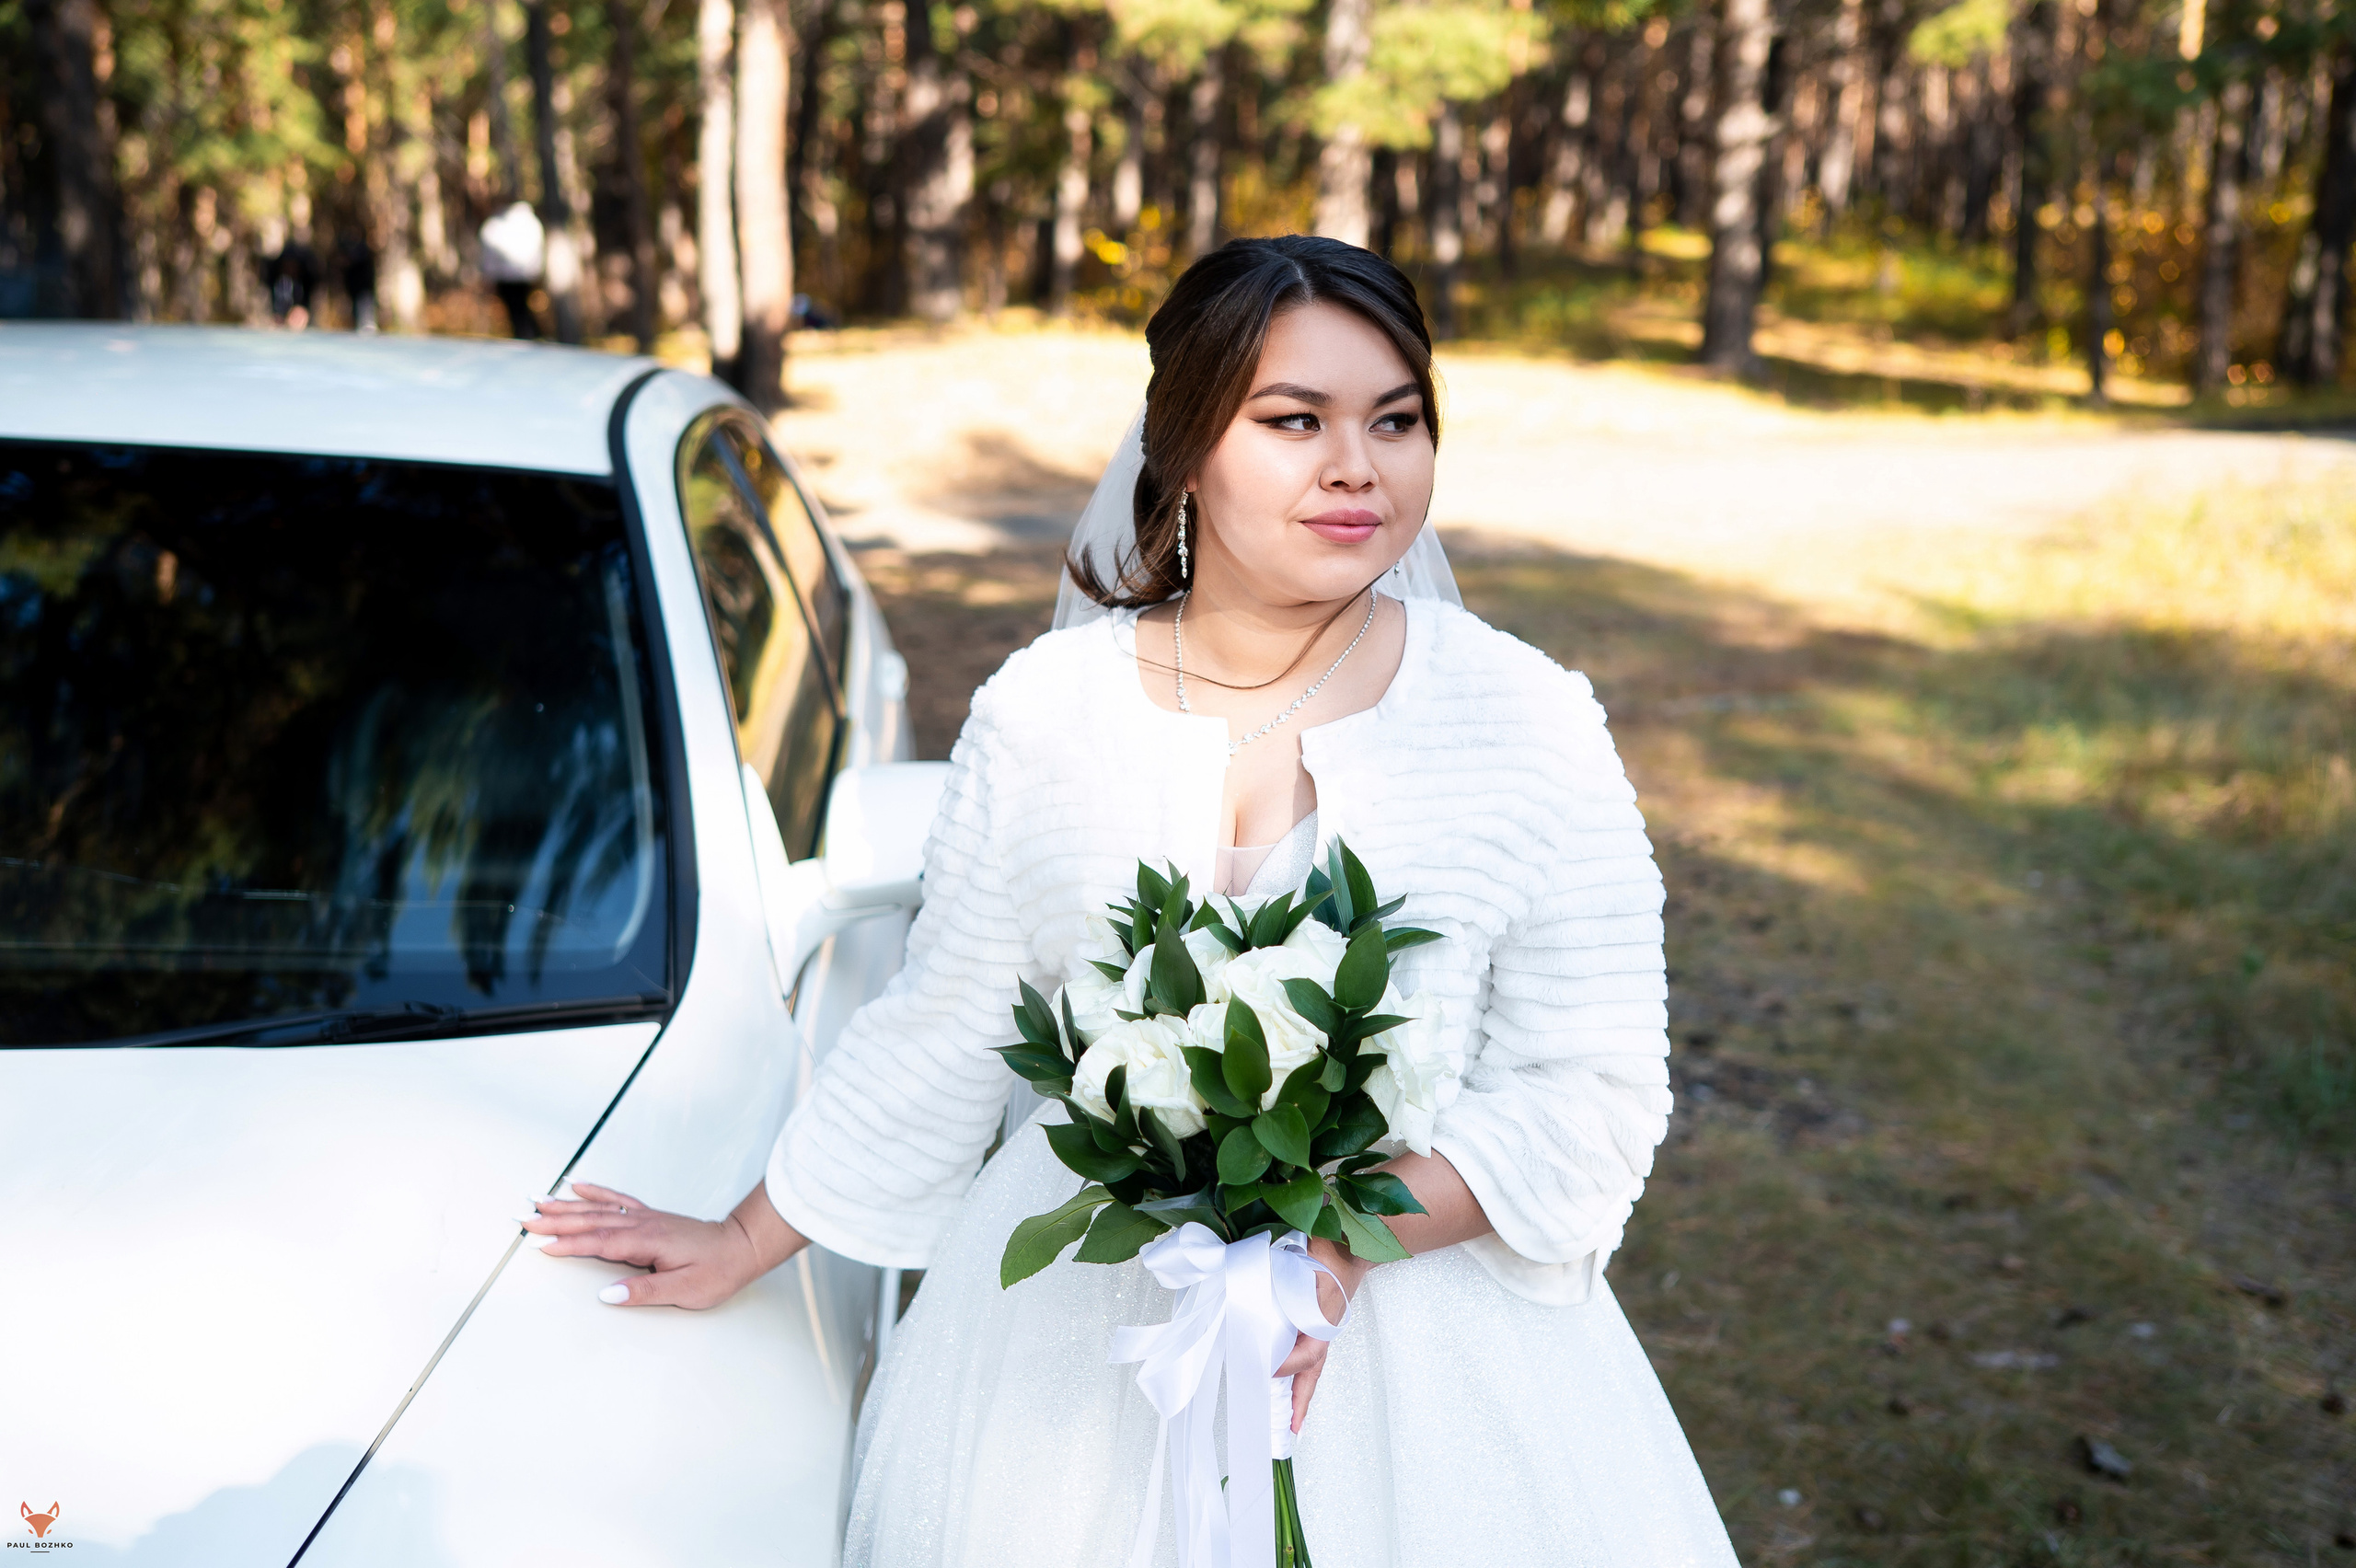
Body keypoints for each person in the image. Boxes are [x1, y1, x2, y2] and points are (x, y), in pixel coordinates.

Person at [525, 236, 1738, 1566]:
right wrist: (748, 1235)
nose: (1358, 467)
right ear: (1185, 445)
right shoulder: (1044, 714)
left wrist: (1330, 1248)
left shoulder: (1527, 722)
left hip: (1428, 1356)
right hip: (1069, 1364)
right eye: (1295, 422)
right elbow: (951, 1024)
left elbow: (1593, 1087)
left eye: (1397, 420)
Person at [478, 198, 545, 340]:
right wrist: (535, 272)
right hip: (524, 276)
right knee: (521, 309)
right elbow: (537, 251)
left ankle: (528, 337)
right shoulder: (532, 223)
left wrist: (489, 275)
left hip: (505, 278)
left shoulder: (495, 225)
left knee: (517, 311)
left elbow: (489, 254)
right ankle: (531, 337)